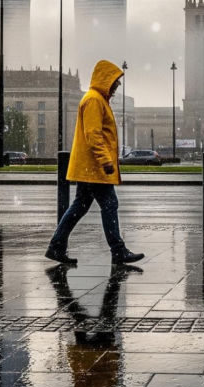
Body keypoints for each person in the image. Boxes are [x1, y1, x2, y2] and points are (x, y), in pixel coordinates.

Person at [45, 59, 145, 267]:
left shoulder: (97, 99)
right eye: (115, 81)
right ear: (105, 79)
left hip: (90, 167)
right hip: (94, 167)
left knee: (78, 207)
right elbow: (93, 134)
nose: (117, 85)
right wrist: (105, 160)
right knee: (109, 205)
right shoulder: (94, 101)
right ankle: (118, 251)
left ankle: (56, 246)